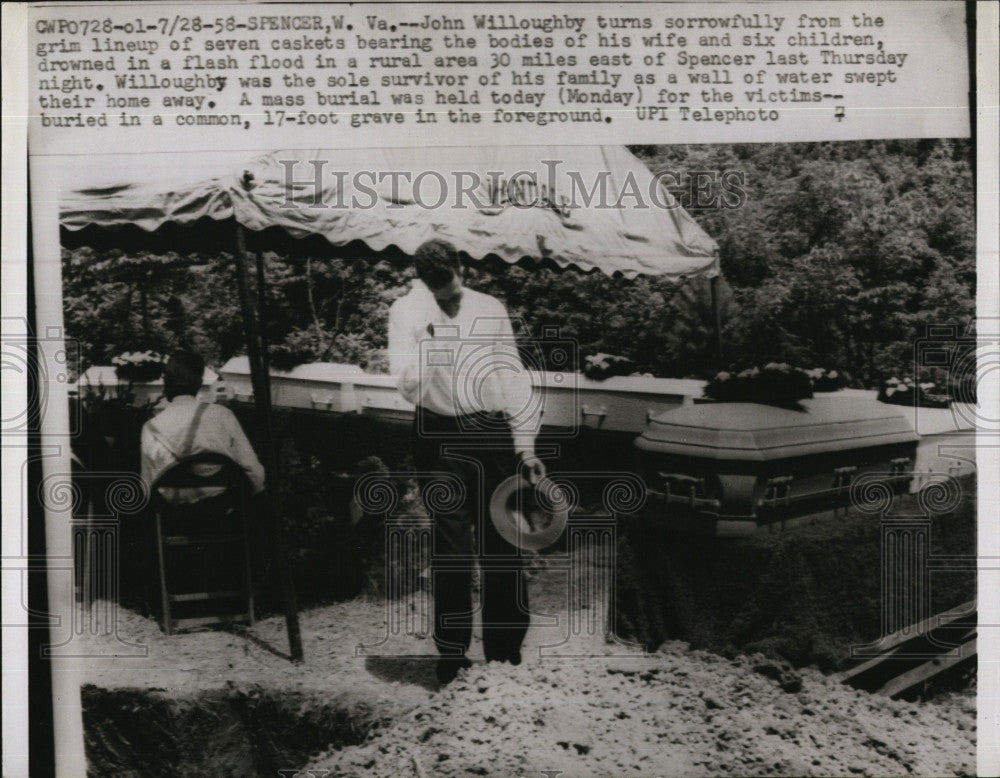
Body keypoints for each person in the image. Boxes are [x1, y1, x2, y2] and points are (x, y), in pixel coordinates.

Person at [388, 239, 546, 685]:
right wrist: (434, 348)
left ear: (462, 267)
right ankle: (453, 659)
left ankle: (505, 655)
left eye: (453, 287)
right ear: (422, 282)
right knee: (452, 550)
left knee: (504, 541)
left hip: (492, 433)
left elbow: (511, 376)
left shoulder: (490, 307)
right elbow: (406, 386)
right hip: (438, 437)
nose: (449, 297)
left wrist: (526, 446)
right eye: (439, 291)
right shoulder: (405, 312)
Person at [140, 349, 265, 503]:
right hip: (225, 510)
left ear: (166, 382)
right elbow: (254, 472)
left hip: (175, 517)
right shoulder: (222, 415)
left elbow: (147, 487)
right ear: (199, 383)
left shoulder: (151, 427)